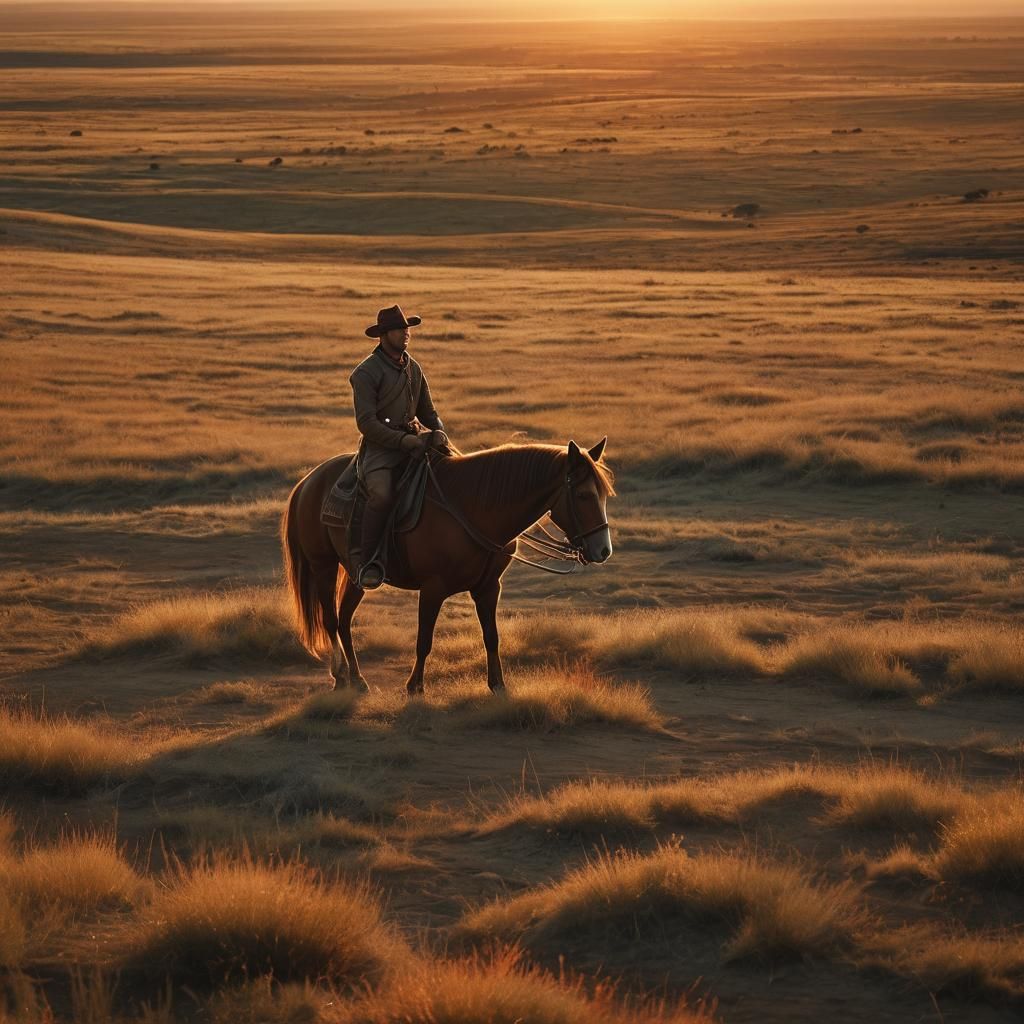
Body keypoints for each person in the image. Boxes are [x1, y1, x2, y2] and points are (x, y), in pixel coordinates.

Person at [349, 304, 446, 589]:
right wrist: (402, 440)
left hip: (416, 442)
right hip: (382, 450)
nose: (406, 334)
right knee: (381, 495)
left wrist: (439, 431)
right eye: (400, 329)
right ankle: (368, 561)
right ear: (383, 335)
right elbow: (367, 423)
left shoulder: (413, 367)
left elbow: (429, 412)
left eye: (407, 329)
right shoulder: (366, 373)